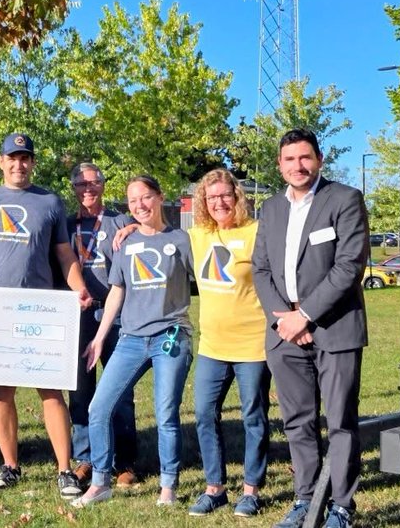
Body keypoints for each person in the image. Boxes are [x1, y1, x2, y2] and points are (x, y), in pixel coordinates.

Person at [0, 133, 92, 498]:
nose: (18, 164)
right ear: (1, 162)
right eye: (12, 158)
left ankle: (64, 470)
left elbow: (65, 255)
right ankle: (10, 466)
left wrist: (79, 287)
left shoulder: (49, 201)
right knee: (2, 392)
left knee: (50, 390)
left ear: (32, 162)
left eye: (25, 158)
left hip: (39, 308)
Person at [252, 129, 369, 528]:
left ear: (319, 159)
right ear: (279, 164)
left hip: (335, 327)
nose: (297, 166)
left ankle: (341, 506)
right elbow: (261, 269)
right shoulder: (270, 208)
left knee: (340, 421)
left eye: (305, 157)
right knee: (297, 421)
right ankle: (305, 498)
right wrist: (283, 319)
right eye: (289, 159)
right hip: (283, 332)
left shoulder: (345, 199)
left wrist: (306, 315)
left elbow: (349, 265)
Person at [71, 175, 195, 509]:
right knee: (98, 408)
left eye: (146, 197)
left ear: (160, 197)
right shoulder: (125, 243)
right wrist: (99, 339)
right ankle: (100, 482)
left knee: (165, 413)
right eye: (133, 201)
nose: (140, 205)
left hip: (170, 337)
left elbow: (205, 282)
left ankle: (168, 486)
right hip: (131, 339)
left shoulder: (181, 239)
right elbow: (117, 291)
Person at [186, 168, 270, 518]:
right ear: (203, 202)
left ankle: (251, 490)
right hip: (212, 346)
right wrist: (129, 228)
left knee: (254, 416)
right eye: (211, 197)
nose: (219, 202)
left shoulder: (256, 232)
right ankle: (215, 488)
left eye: (225, 195)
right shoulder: (198, 235)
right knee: (204, 414)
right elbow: (158, 235)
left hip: (253, 343)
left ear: (237, 196)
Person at [66, 162, 140, 487]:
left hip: (116, 314)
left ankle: (125, 460)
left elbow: (151, 229)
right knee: (80, 389)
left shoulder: (119, 221)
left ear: (103, 185)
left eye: (94, 183)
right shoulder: (65, 225)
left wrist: (134, 227)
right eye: (82, 184)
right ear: (74, 188)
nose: (88, 189)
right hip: (78, 315)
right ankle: (86, 457)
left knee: (121, 388)